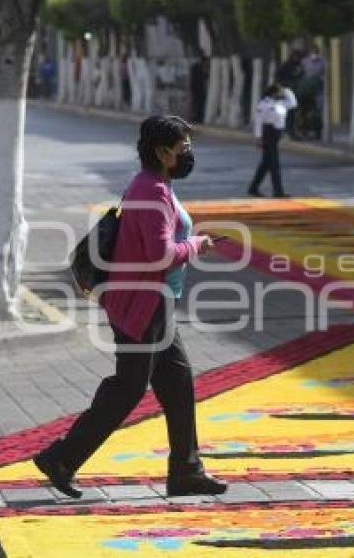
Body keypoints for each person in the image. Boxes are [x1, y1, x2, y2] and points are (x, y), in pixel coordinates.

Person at [33, 115, 227, 499]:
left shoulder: (153, 185)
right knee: (128, 387)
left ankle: (186, 470)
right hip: (145, 304)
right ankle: (61, 458)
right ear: (161, 151)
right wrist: (197, 246)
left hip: (155, 304)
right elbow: (160, 255)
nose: (189, 154)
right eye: (184, 148)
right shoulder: (151, 191)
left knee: (179, 385)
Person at [248, 84, 297, 198]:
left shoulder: (281, 103)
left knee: (265, 164)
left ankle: (253, 188)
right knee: (274, 164)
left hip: (276, 135)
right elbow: (259, 122)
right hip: (268, 134)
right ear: (273, 93)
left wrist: (287, 90)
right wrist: (258, 138)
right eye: (279, 92)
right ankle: (278, 191)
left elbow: (293, 103)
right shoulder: (264, 104)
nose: (280, 94)